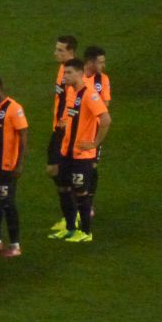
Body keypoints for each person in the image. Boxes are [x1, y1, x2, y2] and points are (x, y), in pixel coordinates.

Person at [49, 58, 111, 242]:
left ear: (79, 73)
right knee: (63, 188)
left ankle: (85, 232)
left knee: (81, 192)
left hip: (82, 155)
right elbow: (71, 115)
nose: (65, 76)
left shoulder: (90, 95)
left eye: (69, 73)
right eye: (64, 73)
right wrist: (65, 123)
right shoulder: (70, 92)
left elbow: (106, 120)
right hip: (66, 152)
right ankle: (69, 228)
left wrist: (94, 143)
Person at [0, 74, 30, 258]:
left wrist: (19, 163)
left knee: (8, 205)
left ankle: (15, 245)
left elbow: (23, 136)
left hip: (7, 166)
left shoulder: (14, 108)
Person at [48, 35, 78, 231]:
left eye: (60, 50)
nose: (56, 53)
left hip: (65, 131)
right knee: (57, 172)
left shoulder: (72, 73)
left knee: (58, 171)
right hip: (57, 128)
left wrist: (66, 122)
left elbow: (74, 100)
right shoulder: (62, 70)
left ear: (71, 52)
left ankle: (73, 218)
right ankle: (71, 217)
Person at [82, 45, 111, 213]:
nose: (103, 66)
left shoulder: (103, 80)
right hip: (77, 130)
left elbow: (105, 105)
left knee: (91, 166)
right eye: (101, 62)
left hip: (94, 130)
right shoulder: (77, 76)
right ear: (90, 62)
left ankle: (88, 203)